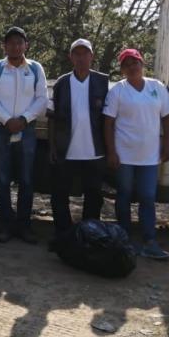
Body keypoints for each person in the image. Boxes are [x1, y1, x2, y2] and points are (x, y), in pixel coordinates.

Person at [103, 48, 169, 260]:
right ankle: (124, 239)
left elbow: (167, 117)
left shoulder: (156, 87)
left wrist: (167, 144)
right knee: (124, 195)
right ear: (122, 70)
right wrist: (111, 152)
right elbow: (108, 123)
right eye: (127, 64)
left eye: (135, 62)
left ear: (142, 64)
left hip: (150, 156)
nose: (132, 67)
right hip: (124, 155)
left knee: (147, 197)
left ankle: (150, 241)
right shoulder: (118, 91)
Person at [0, 26, 48, 243]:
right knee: (2, 180)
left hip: (26, 130)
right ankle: (5, 224)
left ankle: (24, 226)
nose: (15, 46)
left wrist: (23, 120)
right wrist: (7, 120)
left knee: (26, 180)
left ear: (26, 45)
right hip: (0, 130)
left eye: (19, 42)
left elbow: (42, 99)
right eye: (11, 42)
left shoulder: (35, 68)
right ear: (4, 46)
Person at [48, 39, 109, 236]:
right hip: (67, 150)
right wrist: (52, 147)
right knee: (59, 194)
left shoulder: (103, 82)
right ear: (71, 57)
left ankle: (90, 235)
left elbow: (110, 119)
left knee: (94, 196)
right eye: (77, 54)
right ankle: (63, 234)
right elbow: (52, 117)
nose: (81, 58)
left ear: (92, 56)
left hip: (95, 152)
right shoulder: (62, 83)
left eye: (85, 54)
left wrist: (110, 148)